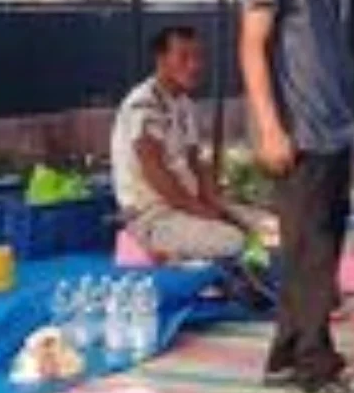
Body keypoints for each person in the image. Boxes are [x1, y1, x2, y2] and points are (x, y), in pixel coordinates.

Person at [237, 0, 354, 393]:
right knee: (312, 256)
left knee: (315, 251)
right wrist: (269, 127)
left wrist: (353, 130)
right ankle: (317, 371)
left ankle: (284, 356)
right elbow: (252, 45)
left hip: (333, 132)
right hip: (297, 135)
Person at [110, 26, 277, 261]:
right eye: (184, 57)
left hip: (187, 207)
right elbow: (154, 171)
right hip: (153, 215)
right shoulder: (143, 104)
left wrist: (216, 203)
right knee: (232, 240)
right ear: (161, 59)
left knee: (269, 228)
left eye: (199, 57)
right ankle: (163, 253)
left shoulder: (185, 105)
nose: (195, 65)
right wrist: (201, 211)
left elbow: (196, 163)